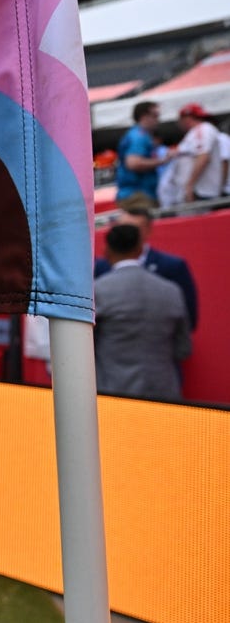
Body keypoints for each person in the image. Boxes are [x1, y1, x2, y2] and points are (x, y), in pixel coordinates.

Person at [94, 224, 191, 401]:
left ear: (106, 250)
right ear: (140, 250)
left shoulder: (97, 291)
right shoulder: (170, 290)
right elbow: (183, 348)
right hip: (163, 391)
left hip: (112, 391)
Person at [94, 204, 198, 330]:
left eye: (134, 229)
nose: (128, 234)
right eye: (123, 228)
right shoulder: (100, 267)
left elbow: (187, 318)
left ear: (148, 231)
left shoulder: (172, 266)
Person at [162, 102, 222, 206]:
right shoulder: (194, 133)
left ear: (187, 118)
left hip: (201, 192)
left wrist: (189, 185)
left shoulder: (203, 129)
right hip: (196, 192)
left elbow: (203, 156)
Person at [115, 101, 171, 204]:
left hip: (139, 194)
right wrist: (163, 161)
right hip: (137, 196)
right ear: (143, 116)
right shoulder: (139, 136)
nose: (157, 120)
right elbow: (133, 163)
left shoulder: (140, 135)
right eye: (154, 115)